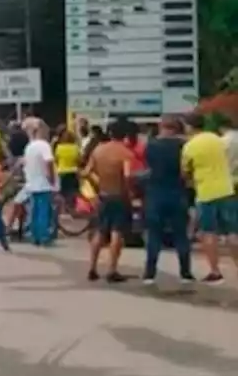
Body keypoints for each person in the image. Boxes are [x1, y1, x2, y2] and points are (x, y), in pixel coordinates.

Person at [183, 113, 235, 284]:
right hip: (227, 190)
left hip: (206, 193)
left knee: (209, 232)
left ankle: (215, 271)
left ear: (189, 126)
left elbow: (184, 172)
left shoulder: (189, 146)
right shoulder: (218, 139)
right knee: (232, 232)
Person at [142, 116, 194, 284]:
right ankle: (185, 273)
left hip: (156, 192)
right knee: (181, 234)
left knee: (154, 235)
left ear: (161, 127)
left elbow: (148, 166)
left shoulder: (151, 145)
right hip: (177, 192)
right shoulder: (183, 145)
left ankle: (150, 273)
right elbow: (187, 169)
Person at [83, 125, 135, 283]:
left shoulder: (98, 150)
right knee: (116, 232)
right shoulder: (125, 153)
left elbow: (86, 172)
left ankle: (92, 267)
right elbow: (127, 176)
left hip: (103, 195)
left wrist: (96, 185)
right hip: (119, 196)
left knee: (99, 231)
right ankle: (112, 269)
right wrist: (130, 193)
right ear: (125, 136)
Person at [22, 121, 57, 246]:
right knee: (43, 211)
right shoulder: (44, 146)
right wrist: (52, 179)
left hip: (32, 183)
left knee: (34, 210)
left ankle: (35, 236)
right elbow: (49, 162)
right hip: (43, 183)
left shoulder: (29, 146)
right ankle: (43, 236)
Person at [53, 127, 82, 205]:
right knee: (73, 191)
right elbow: (79, 160)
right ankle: (72, 205)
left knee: (63, 192)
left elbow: (56, 160)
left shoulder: (59, 148)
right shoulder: (75, 148)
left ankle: (65, 207)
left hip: (62, 172)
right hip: (73, 172)